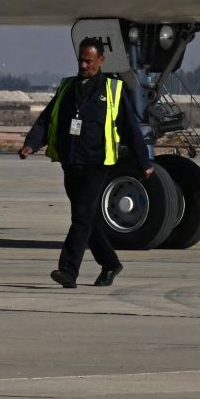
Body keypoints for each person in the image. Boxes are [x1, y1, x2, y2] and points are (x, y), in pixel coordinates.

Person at [19, 36, 155, 288]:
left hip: (97, 163)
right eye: (81, 60)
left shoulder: (112, 90)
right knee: (86, 218)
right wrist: (32, 143)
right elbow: (48, 118)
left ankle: (68, 271)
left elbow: (130, 128)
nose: (83, 65)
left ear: (101, 61)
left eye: (89, 61)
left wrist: (143, 160)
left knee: (81, 217)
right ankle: (110, 263)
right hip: (71, 162)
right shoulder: (67, 87)